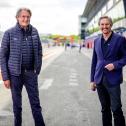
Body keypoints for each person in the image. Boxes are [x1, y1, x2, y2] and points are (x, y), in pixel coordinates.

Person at [0, 8, 45, 126]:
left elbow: (39, 50)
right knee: (17, 106)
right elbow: (3, 56)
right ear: (17, 18)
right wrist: (5, 77)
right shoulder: (9, 33)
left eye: (28, 17)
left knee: (35, 104)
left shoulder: (34, 31)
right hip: (15, 75)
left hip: (31, 73)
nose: (25, 19)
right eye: (23, 16)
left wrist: (37, 68)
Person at [90, 16, 126, 126]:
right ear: (99, 26)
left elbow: (125, 57)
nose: (104, 26)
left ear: (111, 25)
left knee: (116, 109)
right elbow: (94, 62)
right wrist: (92, 80)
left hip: (113, 80)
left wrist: (115, 65)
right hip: (99, 79)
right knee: (104, 109)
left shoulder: (120, 39)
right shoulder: (96, 41)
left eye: (107, 24)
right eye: (102, 24)